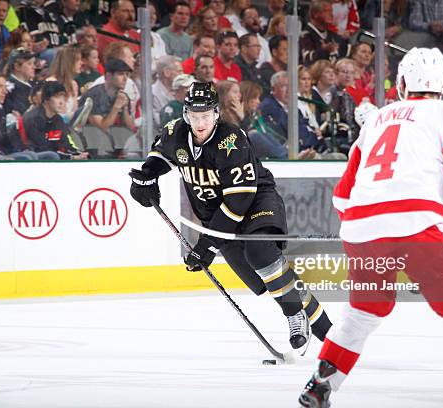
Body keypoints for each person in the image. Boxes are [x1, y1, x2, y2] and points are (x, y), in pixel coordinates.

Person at [298, 47, 443, 408]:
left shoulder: (376, 120)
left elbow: (342, 197)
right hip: (417, 223)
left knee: (362, 311)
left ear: (402, 83)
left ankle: (320, 384)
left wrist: (372, 233)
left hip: (360, 226)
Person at [129, 81, 332, 352]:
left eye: (206, 116)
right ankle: (328, 333)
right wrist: (146, 176)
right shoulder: (175, 132)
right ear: (185, 115)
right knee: (263, 282)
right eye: (194, 116)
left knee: (260, 252)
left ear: (216, 114)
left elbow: (238, 201)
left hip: (256, 202)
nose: (200, 123)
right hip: (218, 215)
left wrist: (206, 244)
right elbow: (162, 154)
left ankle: (295, 315)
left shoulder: (230, 140)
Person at [22, 81, 89, 160]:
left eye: (63, 97)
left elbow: (66, 145)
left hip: (52, 156)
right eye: (57, 97)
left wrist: (80, 154)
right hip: (31, 159)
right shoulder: (33, 119)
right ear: (46, 99)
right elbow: (42, 149)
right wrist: (71, 157)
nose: (61, 102)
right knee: (53, 156)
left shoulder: (58, 119)